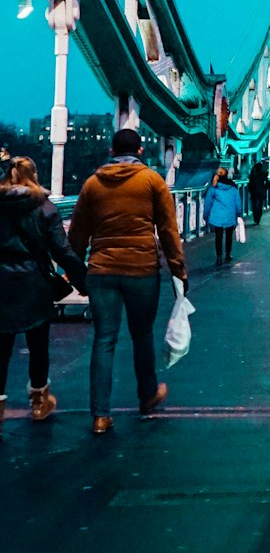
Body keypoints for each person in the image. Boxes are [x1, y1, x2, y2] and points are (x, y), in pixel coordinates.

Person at [69, 128, 187, 436]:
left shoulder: (93, 184)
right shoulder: (152, 181)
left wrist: (76, 276)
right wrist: (178, 270)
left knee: (104, 340)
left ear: (110, 151)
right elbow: (168, 231)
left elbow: (77, 235)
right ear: (140, 152)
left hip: (102, 271)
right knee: (142, 334)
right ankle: (147, 395)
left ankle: (100, 415)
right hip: (141, 269)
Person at [0, 156, 86, 428]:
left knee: (1, 348)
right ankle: (39, 402)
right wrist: (83, 282)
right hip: (34, 282)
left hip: (1, 281)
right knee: (38, 345)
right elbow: (62, 250)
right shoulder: (45, 208)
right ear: (34, 175)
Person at [204, 167, 242, 264]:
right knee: (229, 236)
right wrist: (239, 213)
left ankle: (219, 257)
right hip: (230, 215)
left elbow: (208, 203)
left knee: (218, 237)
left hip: (217, 216)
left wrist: (206, 215)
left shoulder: (214, 188)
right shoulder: (233, 188)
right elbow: (237, 203)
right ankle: (228, 254)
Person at [248, 159, 269, 225]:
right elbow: (267, 183)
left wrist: (250, 190)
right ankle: (258, 218)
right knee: (260, 205)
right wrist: (265, 189)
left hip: (254, 192)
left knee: (254, 205)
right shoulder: (263, 174)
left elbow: (250, 184)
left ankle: (255, 217)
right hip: (261, 192)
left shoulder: (252, 175)